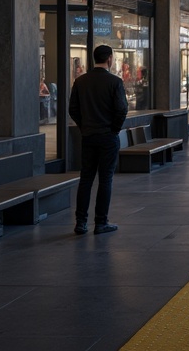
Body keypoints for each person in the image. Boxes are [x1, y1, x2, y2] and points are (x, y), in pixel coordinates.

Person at [69, 44, 127, 236]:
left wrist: (84, 127)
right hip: (107, 137)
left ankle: (80, 223)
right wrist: (114, 129)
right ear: (109, 59)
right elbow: (121, 109)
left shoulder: (81, 81)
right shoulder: (115, 82)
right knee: (105, 179)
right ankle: (101, 223)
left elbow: (73, 110)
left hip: (88, 137)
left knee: (85, 179)